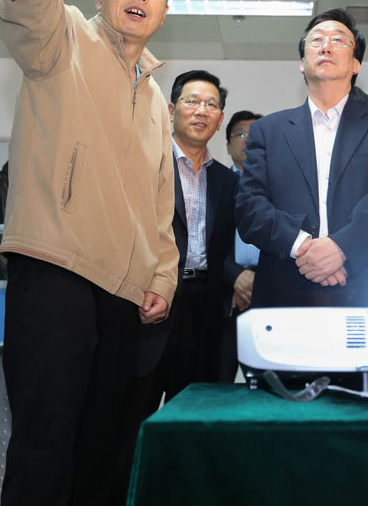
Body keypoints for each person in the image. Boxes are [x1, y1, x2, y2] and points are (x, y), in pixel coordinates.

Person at [0, 0, 179, 506]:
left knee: (104, 454)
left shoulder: (156, 99)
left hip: (125, 294)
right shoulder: (66, 38)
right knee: (46, 448)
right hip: (56, 268)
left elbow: (160, 205)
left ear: (165, 9)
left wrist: (163, 277)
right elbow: (32, 5)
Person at [235, 8, 368, 307]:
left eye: (339, 40)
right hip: (285, 288)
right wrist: (303, 246)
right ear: (301, 63)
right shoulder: (268, 130)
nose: (326, 46)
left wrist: (342, 247)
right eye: (316, 40)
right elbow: (249, 208)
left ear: (355, 64)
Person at [118, 70, 239, 502]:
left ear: (220, 119)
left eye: (211, 104)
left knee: (199, 419)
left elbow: (230, 249)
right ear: (171, 110)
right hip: (152, 304)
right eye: (192, 101)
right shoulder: (143, 164)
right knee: (134, 416)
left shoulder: (230, 182)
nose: (201, 111)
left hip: (208, 309)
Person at [225, 110, 263, 314]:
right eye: (240, 134)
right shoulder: (216, 184)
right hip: (224, 289)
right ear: (228, 146)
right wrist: (236, 276)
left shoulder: (282, 187)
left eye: (254, 134)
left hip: (270, 284)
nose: (247, 140)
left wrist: (256, 279)